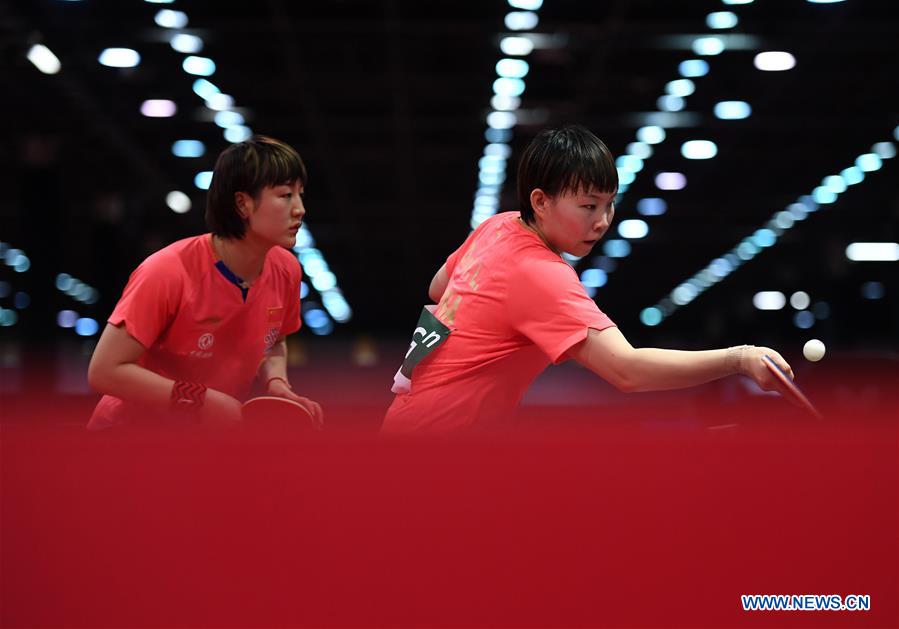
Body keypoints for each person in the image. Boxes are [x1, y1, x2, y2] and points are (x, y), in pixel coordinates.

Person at [381, 125, 793, 433]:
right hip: (438, 458)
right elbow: (627, 369)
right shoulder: (539, 273)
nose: (602, 222)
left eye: (609, 205)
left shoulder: (497, 227)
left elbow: (439, 287)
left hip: (403, 430)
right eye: (588, 206)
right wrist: (739, 358)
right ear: (540, 201)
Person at [87, 135, 323, 430]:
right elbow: (104, 371)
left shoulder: (286, 269)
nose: (299, 208)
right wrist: (201, 398)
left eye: (300, 194)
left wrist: (277, 382)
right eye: (286, 195)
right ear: (242, 203)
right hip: (125, 439)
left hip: (197, 441)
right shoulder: (166, 272)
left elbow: (274, 340)